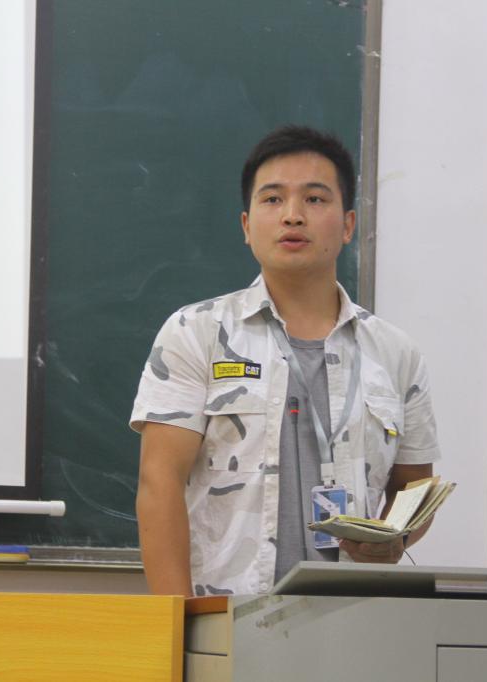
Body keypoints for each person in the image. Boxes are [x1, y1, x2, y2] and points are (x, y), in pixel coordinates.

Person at [131, 126, 441, 596]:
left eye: (315, 199)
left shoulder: (396, 353)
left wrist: (395, 541)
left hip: (354, 616)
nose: (292, 215)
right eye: (273, 199)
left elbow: (414, 488)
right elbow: (159, 484)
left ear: (348, 224)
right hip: (227, 615)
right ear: (246, 225)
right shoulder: (196, 332)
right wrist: (177, 622)